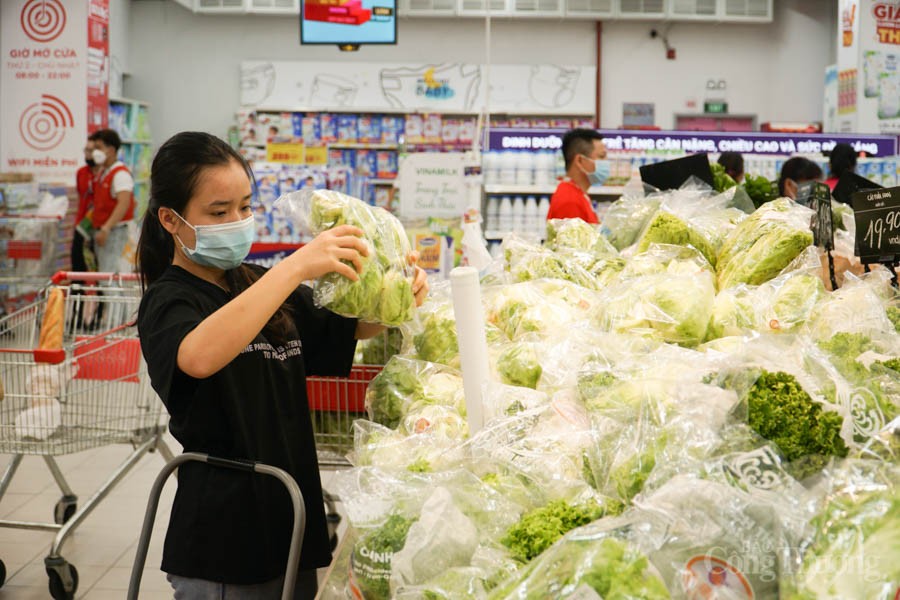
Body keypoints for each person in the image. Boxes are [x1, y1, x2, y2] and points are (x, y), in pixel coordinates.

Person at [136, 131, 428, 599]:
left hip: (289, 516)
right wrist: (295, 267)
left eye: (245, 207)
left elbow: (353, 327)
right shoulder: (169, 299)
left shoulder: (256, 283)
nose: (237, 222)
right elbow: (197, 356)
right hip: (227, 537)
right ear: (170, 219)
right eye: (219, 213)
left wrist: (396, 291)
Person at [91, 128, 135, 273]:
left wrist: (106, 228)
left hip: (116, 232)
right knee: (104, 272)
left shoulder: (120, 174)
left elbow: (124, 203)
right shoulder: (103, 172)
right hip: (104, 231)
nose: (95, 152)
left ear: (110, 150)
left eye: (98, 147)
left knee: (111, 275)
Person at [547, 128, 610, 223]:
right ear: (580, 161)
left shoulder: (578, 194)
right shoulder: (570, 202)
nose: (606, 162)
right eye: (601, 156)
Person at [72, 135, 101, 272]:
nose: (87, 154)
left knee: (98, 264)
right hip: (82, 224)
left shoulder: (105, 174)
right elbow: (80, 196)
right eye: (86, 150)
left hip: (100, 225)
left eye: (91, 151)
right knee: (77, 261)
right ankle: (78, 285)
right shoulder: (81, 173)